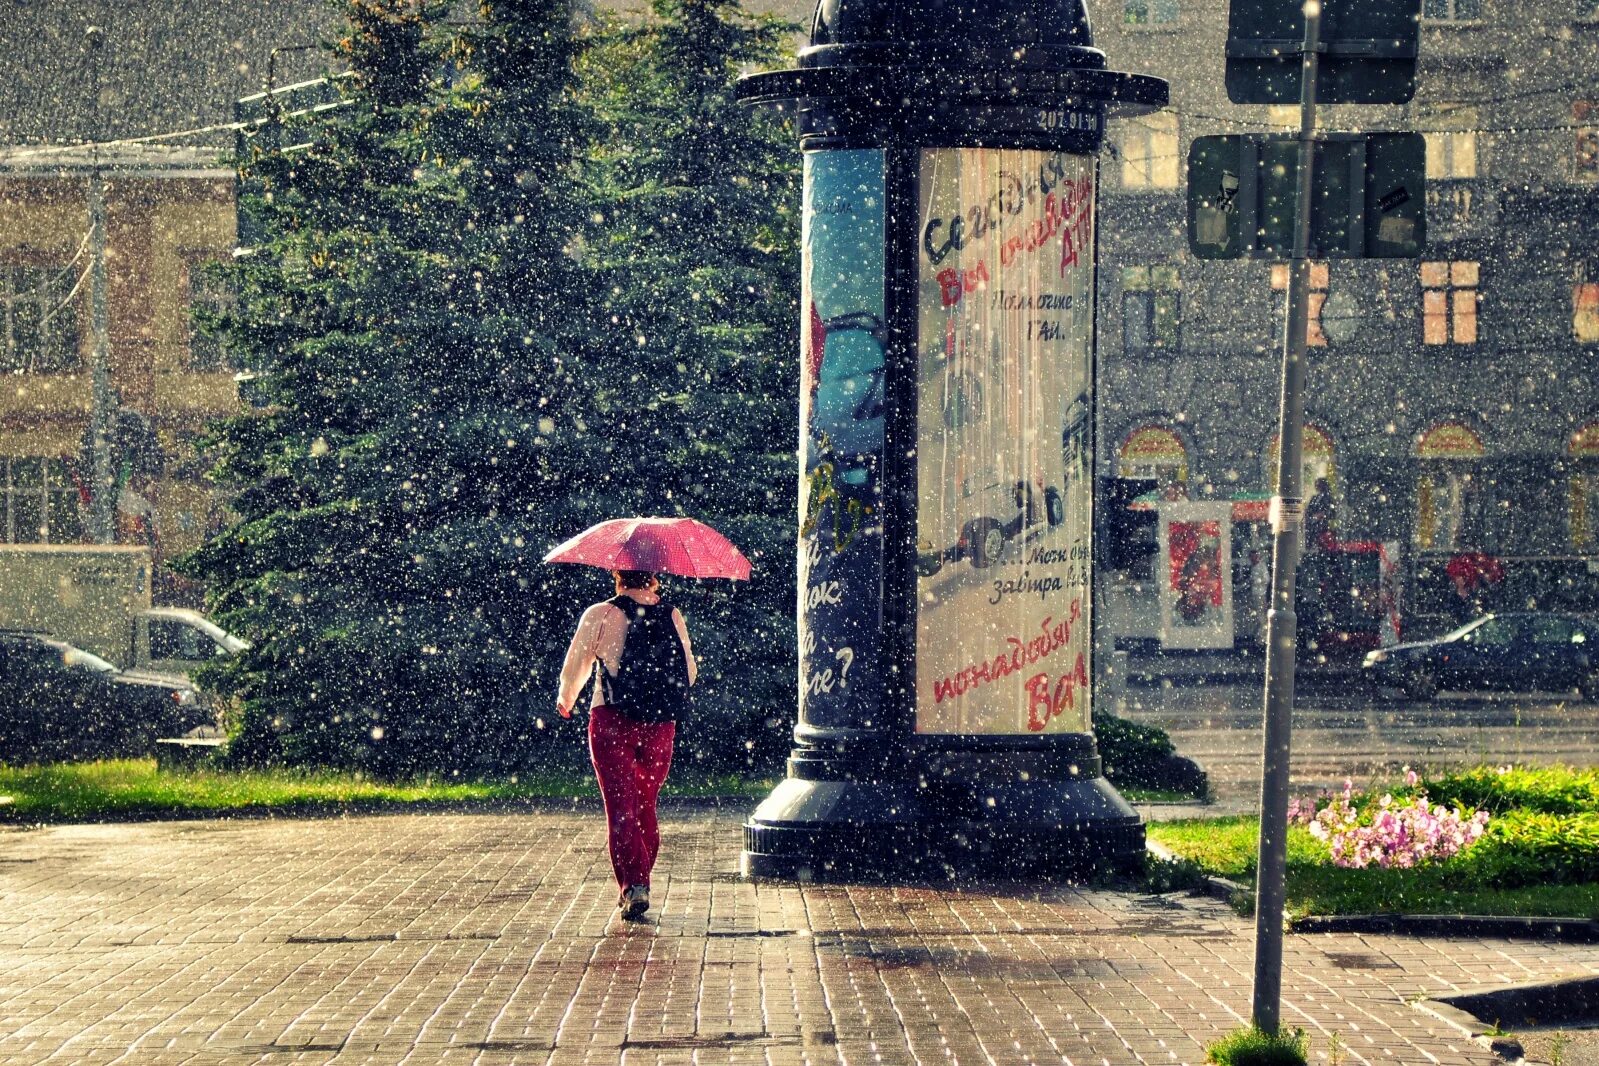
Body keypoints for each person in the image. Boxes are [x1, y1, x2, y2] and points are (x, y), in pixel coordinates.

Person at [556, 569, 697, 921]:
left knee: (621, 806)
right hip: (661, 723)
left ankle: (635, 885)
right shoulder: (672, 614)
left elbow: (576, 666)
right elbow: (689, 672)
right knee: (645, 802)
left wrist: (567, 699)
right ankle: (640, 878)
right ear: (653, 577)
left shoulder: (601, 614)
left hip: (612, 719)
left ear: (618, 575)